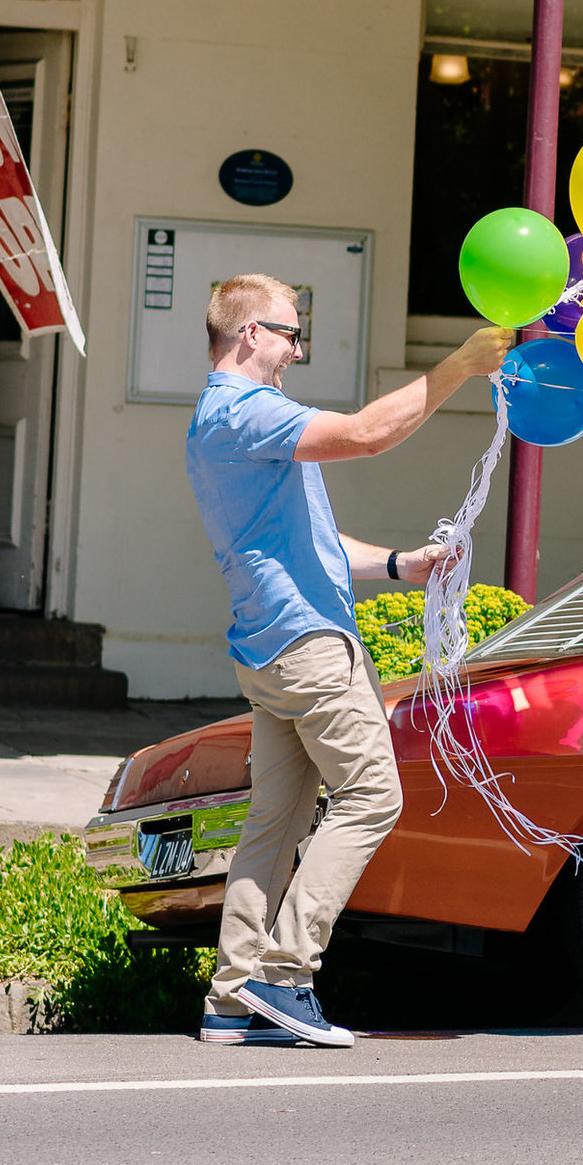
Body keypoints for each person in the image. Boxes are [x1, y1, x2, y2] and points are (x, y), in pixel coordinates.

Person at [187, 274, 511, 1046]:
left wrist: (403, 563)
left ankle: (232, 997)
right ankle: (285, 973)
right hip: (307, 647)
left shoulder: (226, 422)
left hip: (273, 647)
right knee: (372, 796)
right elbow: (368, 432)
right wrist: (459, 366)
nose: (299, 349)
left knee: (278, 818)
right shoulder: (244, 411)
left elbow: (313, 546)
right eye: (290, 333)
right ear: (248, 334)